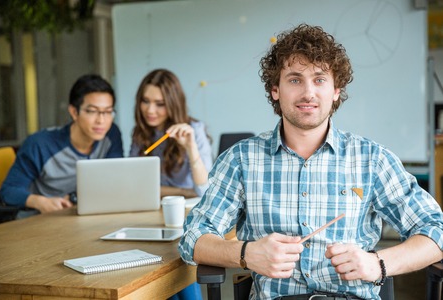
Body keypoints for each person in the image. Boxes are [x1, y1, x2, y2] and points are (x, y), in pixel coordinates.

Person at [178, 24, 443, 300]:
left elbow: (436, 231)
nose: (308, 93)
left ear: (336, 90)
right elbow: (193, 239)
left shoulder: (372, 160)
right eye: (294, 79)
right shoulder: (241, 160)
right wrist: (246, 253)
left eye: (319, 79)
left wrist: (377, 263)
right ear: (275, 90)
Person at [1, 74, 123, 218]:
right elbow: (9, 191)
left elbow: (113, 178)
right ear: (74, 112)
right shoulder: (40, 144)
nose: (101, 120)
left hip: (80, 217)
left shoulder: (110, 134)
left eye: (108, 112)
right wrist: (41, 202)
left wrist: (73, 197)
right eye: (92, 111)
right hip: (39, 220)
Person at [130, 68, 213, 199]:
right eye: (145, 101)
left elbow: (204, 191)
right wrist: (184, 192)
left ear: (173, 104)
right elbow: (134, 187)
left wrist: (190, 148)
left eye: (160, 104)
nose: (150, 110)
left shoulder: (194, 131)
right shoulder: (140, 132)